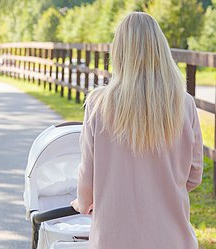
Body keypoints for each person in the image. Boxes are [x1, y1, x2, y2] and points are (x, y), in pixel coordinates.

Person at [71, 12, 203, 249]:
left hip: (113, 240)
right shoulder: (184, 104)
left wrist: (83, 202)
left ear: (120, 52)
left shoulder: (98, 104)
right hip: (172, 239)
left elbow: (88, 175)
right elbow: (194, 174)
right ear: (160, 50)